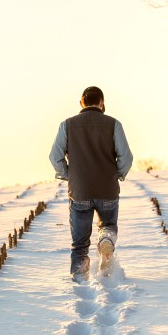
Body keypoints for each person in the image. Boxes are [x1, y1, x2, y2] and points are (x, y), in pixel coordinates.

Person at [49, 86, 133, 281]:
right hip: (107, 189)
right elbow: (126, 157)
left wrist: (68, 175)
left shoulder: (66, 125)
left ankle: (79, 279)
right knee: (109, 225)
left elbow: (55, 156)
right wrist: (116, 174)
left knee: (79, 244)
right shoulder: (114, 124)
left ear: (81, 104)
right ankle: (106, 240)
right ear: (102, 103)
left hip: (80, 191)